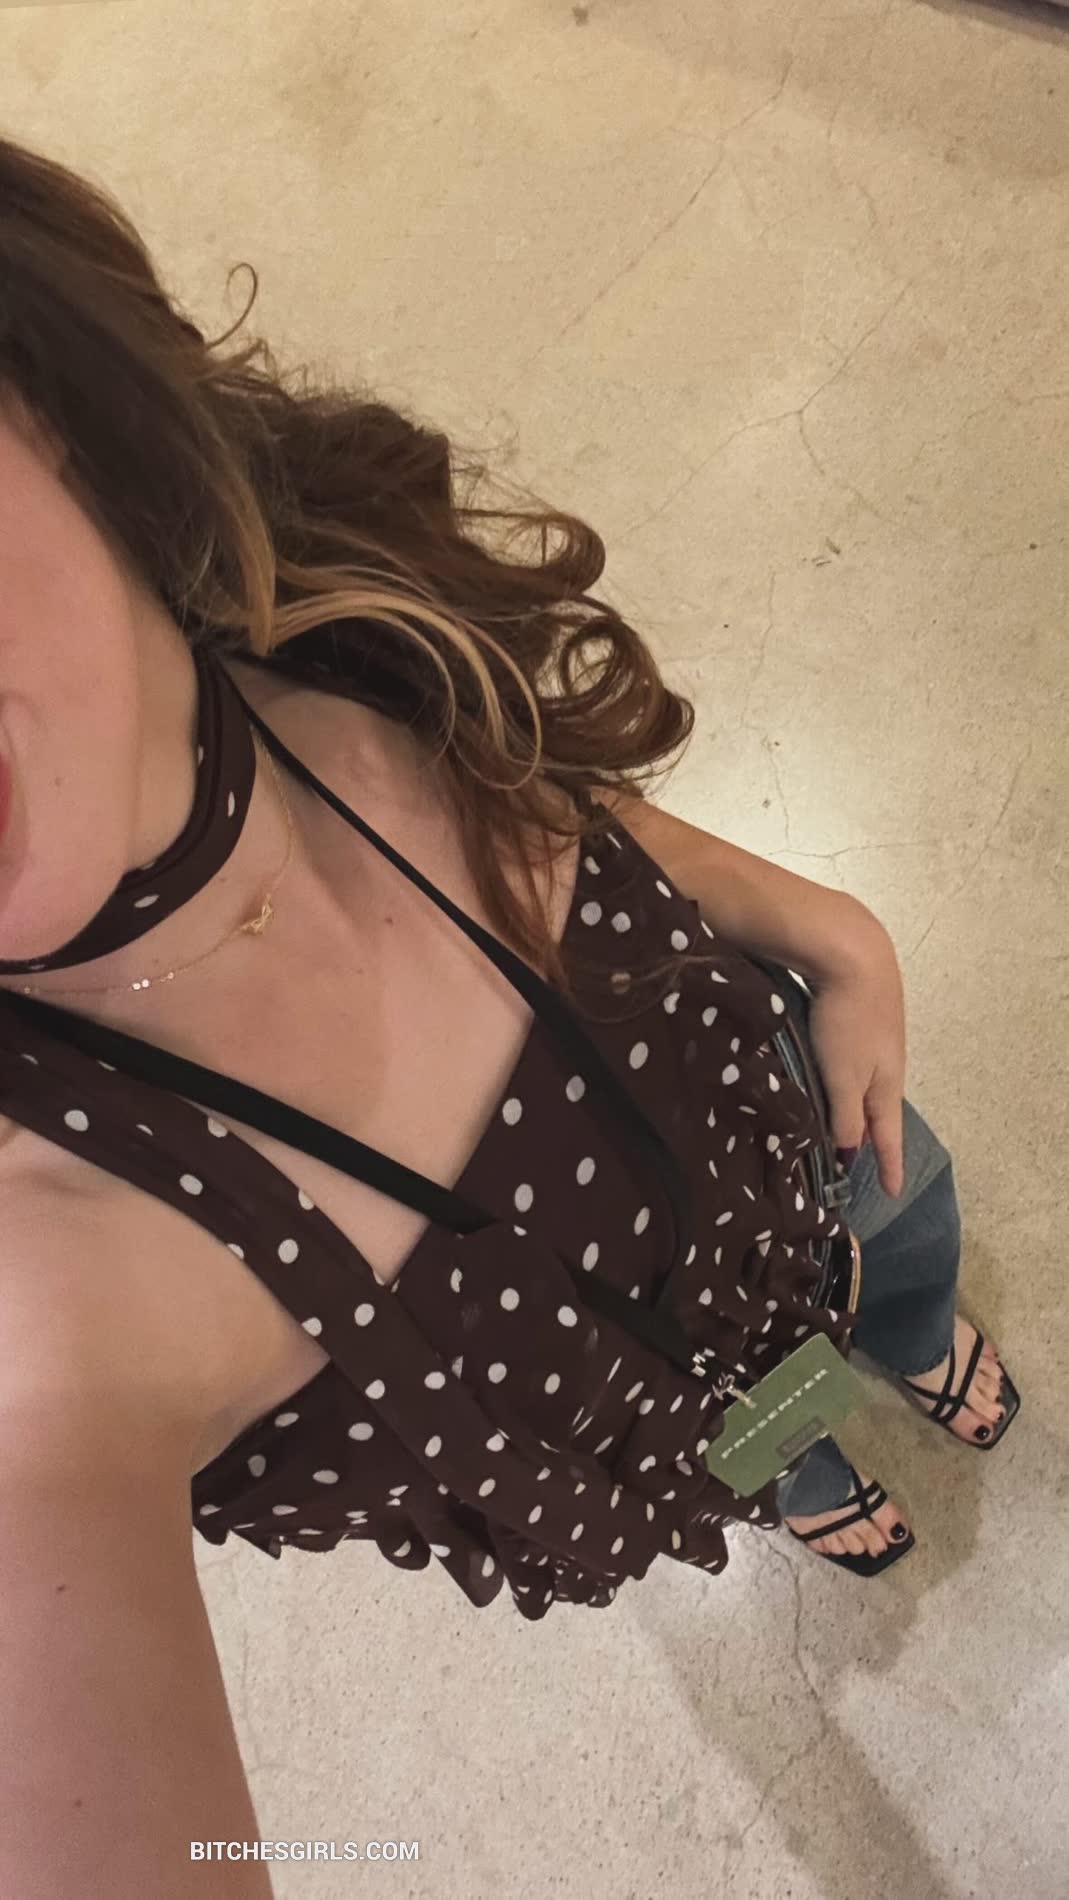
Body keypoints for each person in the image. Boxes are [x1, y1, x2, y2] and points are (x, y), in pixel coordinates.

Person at [0, 135, 1017, 1899]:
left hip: (806, 1121)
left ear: (42, 393)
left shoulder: (306, 602)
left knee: (903, 1230)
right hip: (656, 1421)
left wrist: (813, 918)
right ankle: (796, 1468)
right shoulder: (51, 1307)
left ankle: (908, 1330)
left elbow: (539, 793)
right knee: (756, 1441)